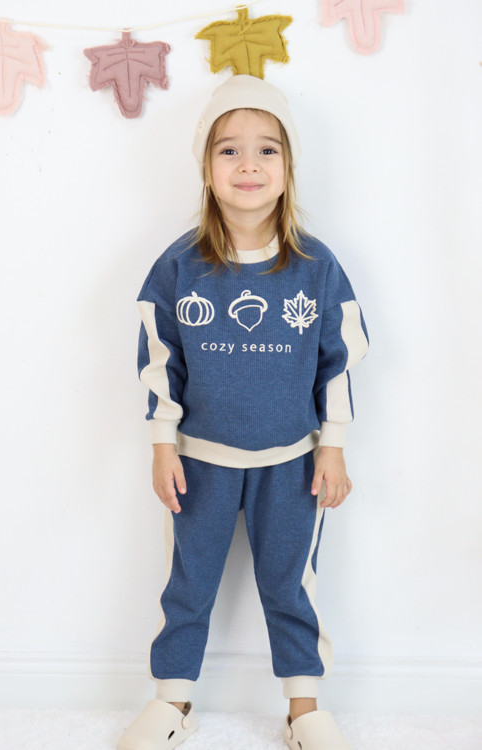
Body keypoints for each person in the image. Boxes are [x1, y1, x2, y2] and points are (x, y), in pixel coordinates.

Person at [118, 74, 369, 750]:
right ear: (206, 167)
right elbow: (158, 358)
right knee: (188, 583)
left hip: (293, 464)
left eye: (267, 150)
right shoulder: (179, 267)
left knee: (291, 585)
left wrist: (333, 444)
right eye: (229, 150)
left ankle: (303, 708)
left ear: (288, 168)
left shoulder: (316, 267)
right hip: (199, 461)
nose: (248, 165)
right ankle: (173, 700)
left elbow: (339, 360)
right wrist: (162, 444)